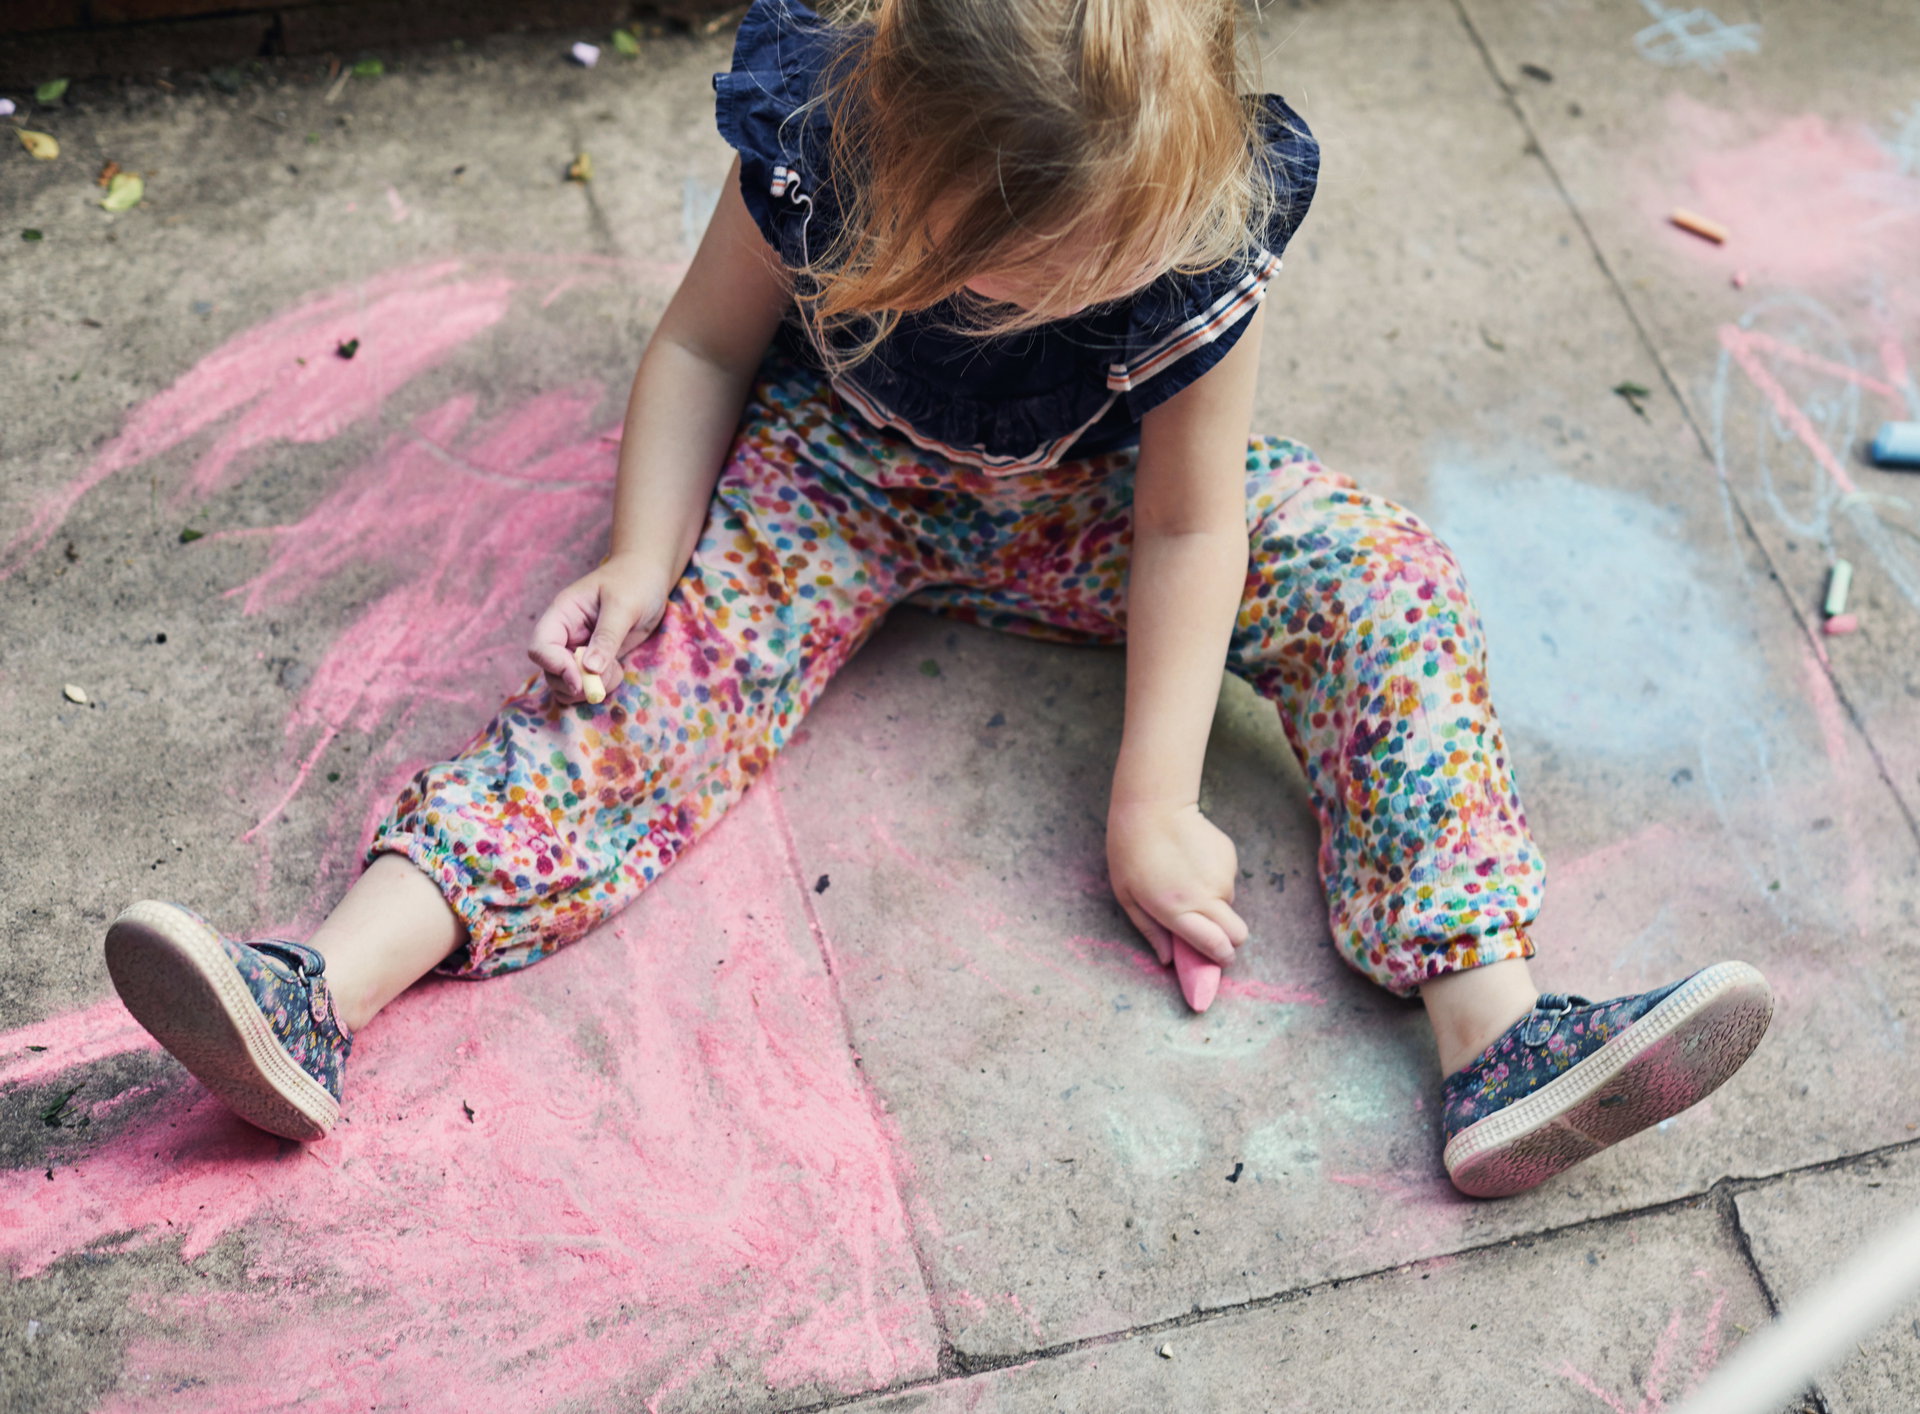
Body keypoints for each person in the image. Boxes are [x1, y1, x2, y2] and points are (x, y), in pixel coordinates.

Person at [102, 0, 1772, 1199]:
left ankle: (1494, 1034)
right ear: (902, 159)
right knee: (642, 689)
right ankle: (324, 984)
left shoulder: (1200, 215)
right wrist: (640, 553)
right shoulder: (819, 138)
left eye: (1101, 266)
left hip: (1097, 508)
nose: (1068, 295)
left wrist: (1152, 800)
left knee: (1379, 574)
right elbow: (701, 346)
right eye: (1020, 268)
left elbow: (1192, 520)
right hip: (835, 474)